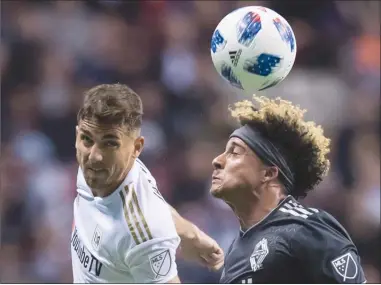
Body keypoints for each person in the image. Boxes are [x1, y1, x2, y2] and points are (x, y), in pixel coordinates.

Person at [72, 84, 223, 283]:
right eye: (87, 139)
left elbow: (146, 219)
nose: (95, 156)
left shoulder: (145, 236)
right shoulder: (98, 169)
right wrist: (191, 234)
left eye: (110, 143)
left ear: (136, 148)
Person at [211, 95, 367, 284]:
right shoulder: (235, 250)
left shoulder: (305, 227)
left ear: (268, 173)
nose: (217, 160)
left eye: (234, 152)